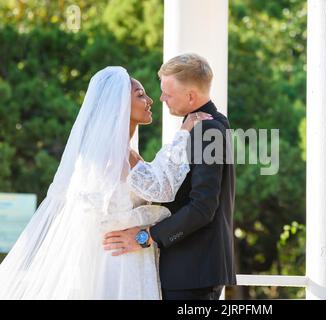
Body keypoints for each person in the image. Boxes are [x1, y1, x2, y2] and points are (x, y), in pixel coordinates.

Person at [0, 66, 211, 299]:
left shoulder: (123, 153)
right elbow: (162, 188)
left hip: (125, 257)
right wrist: (183, 133)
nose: (150, 100)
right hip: (121, 264)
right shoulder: (117, 155)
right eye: (140, 95)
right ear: (118, 104)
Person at [104, 54, 237, 300]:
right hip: (184, 268)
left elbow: (203, 206)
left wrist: (147, 236)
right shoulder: (200, 125)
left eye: (168, 93)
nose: (161, 98)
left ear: (190, 96)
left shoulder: (207, 129)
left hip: (192, 269)